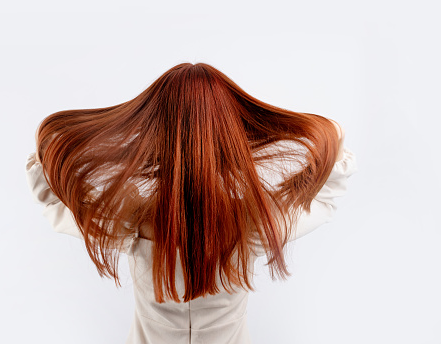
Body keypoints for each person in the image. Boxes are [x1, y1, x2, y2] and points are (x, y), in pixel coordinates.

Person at [25, 62, 357, 343]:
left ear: (156, 131)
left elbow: (57, 207)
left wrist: (43, 159)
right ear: (229, 133)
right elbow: (325, 201)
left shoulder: (132, 220)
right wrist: (333, 138)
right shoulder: (254, 221)